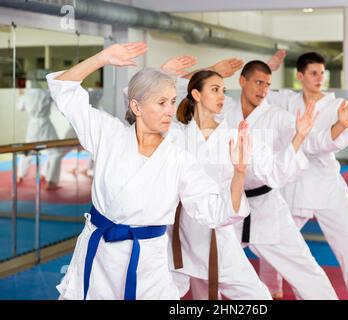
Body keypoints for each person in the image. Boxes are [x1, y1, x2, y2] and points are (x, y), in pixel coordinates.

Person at [46, 42, 248, 300]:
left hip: (147, 263)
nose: (169, 110)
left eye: (173, 101)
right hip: (98, 257)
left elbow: (215, 211)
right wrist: (102, 58)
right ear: (136, 107)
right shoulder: (109, 134)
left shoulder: (179, 159)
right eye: (161, 102)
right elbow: (64, 89)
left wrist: (239, 173)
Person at [167, 64, 320, 299]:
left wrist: (299, 136)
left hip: (220, 227)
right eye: (215, 89)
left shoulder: (235, 136)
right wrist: (166, 72)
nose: (222, 96)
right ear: (196, 95)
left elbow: (274, 171)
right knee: (174, 292)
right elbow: (140, 113)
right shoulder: (176, 134)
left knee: (256, 295)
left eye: (223, 91)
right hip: (183, 230)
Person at [264, 51, 348, 300]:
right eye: (314, 73)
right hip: (294, 183)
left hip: (328, 184)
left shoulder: (339, 106)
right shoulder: (286, 101)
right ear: (300, 76)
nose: (319, 78)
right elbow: (259, 93)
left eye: (322, 73)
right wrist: (268, 68)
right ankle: (271, 289)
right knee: (274, 240)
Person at [16, 86, 64, 190]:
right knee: (56, 153)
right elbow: (56, 108)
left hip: (33, 125)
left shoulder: (27, 94)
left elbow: (20, 108)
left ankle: (20, 175)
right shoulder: (47, 92)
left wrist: (21, 95)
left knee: (28, 151)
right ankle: (51, 182)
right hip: (45, 123)